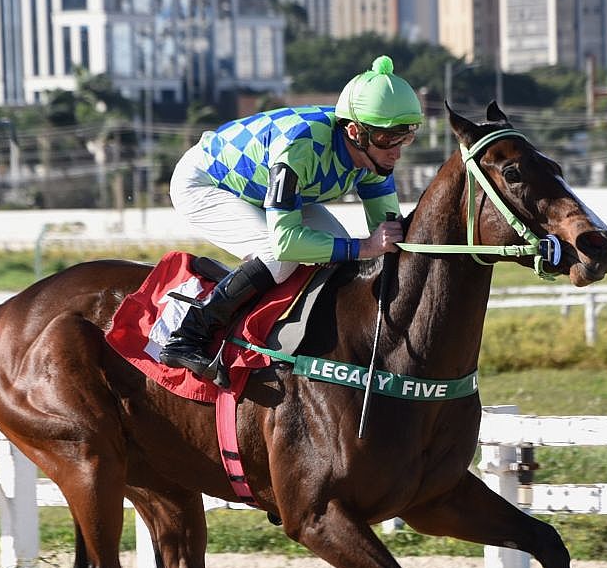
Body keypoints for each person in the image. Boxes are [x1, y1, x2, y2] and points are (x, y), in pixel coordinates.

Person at [158, 54, 423, 381]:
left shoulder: (374, 157)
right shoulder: (300, 146)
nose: (396, 150)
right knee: (278, 257)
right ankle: (188, 335)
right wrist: (364, 246)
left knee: (340, 257)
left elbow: (391, 234)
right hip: (205, 182)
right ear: (355, 131)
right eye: (387, 138)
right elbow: (287, 244)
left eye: (404, 136)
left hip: (268, 190)